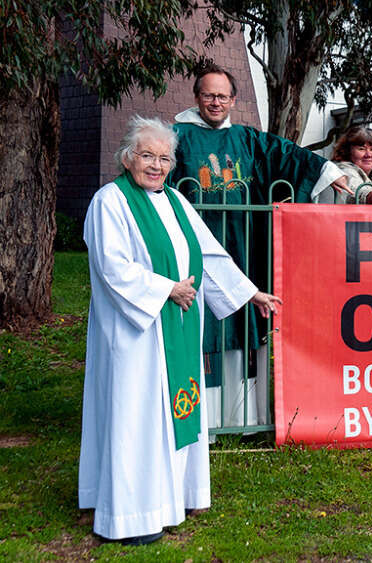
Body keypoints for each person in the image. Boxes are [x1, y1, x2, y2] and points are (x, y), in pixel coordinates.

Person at [79, 116, 282, 544]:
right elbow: (111, 266)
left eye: (165, 158)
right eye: (147, 156)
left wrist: (251, 294)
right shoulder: (109, 201)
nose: (156, 165)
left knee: (171, 415)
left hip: (177, 327)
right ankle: (131, 515)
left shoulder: (175, 200)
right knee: (135, 418)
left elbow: (209, 252)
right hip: (134, 335)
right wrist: (166, 289)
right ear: (128, 157)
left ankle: (172, 497)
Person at [167, 63, 347, 430]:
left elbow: (289, 156)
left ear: (233, 99)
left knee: (243, 317)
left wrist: (332, 172)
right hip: (195, 248)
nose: (215, 102)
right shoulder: (175, 137)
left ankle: (241, 415)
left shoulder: (249, 140)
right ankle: (201, 419)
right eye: (208, 95)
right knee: (202, 325)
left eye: (222, 96)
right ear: (196, 97)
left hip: (243, 245)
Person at [314, 125, 372, 211]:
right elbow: (355, 190)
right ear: (347, 151)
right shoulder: (343, 171)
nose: (368, 155)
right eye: (361, 149)